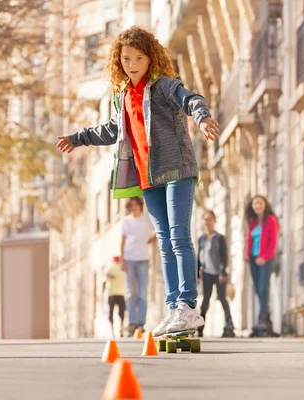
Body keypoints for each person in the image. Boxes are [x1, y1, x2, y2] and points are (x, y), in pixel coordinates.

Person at [56, 26, 219, 337]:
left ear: (150, 58)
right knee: (165, 245)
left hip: (177, 170)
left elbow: (191, 99)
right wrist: (78, 138)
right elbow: (113, 130)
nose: (132, 64)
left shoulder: (163, 85)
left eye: (139, 58)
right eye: (126, 58)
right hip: (149, 177)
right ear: (119, 60)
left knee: (180, 237)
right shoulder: (123, 95)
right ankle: (175, 309)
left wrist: (202, 117)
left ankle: (188, 306)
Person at [244, 195, 279, 337]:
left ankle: (263, 319)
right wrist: (247, 254)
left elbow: (273, 241)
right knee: (258, 289)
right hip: (253, 260)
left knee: (264, 288)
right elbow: (249, 240)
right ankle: (265, 320)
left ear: (265, 204)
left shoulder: (270, 220)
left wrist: (264, 257)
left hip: (266, 259)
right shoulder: (253, 222)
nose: (257, 206)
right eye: (255, 204)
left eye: (260, 203)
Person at [120, 197, 155, 335]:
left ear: (140, 206)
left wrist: (148, 241)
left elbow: (157, 232)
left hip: (143, 259)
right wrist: (122, 259)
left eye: (136, 205)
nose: (134, 207)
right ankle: (132, 322)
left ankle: (141, 323)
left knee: (142, 292)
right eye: (131, 205)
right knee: (130, 293)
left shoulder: (147, 219)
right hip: (129, 259)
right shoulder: (126, 221)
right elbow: (122, 241)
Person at [197, 210, 235, 337]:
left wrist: (223, 272)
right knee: (205, 300)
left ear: (214, 221)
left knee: (222, 298)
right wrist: (197, 273)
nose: (208, 222)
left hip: (219, 273)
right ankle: (200, 327)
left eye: (210, 219)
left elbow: (224, 256)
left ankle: (229, 325)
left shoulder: (219, 238)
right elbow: (199, 256)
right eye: (205, 219)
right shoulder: (201, 238)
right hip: (206, 273)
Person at [104, 256, 127, 337]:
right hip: (121, 293)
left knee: (111, 312)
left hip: (112, 294)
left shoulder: (110, 268)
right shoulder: (123, 269)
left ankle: (112, 329)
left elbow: (105, 277)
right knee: (121, 313)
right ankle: (121, 327)